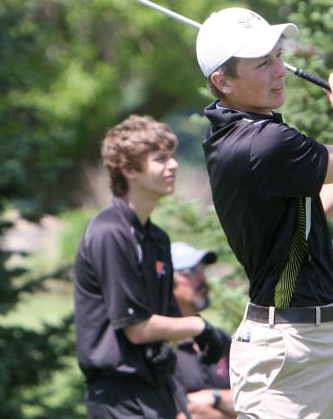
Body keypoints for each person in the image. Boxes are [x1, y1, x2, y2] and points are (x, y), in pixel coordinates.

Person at [195, 7, 333, 418]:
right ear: (223, 81)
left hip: (324, 338)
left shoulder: (253, 133)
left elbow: (312, 215)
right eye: (262, 64)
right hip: (289, 350)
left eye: (277, 56)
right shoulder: (262, 143)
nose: (279, 71)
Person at [74, 114, 224, 419]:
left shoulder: (156, 238)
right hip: (120, 396)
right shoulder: (109, 232)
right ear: (128, 169)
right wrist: (199, 326)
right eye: (160, 159)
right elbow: (136, 328)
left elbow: (164, 319)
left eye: (171, 156)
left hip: (158, 388)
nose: (173, 165)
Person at [170, 241, 236, 419]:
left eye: (202, 270)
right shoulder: (162, 346)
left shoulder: (220, 339)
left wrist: (213, 397)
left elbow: (252, 401)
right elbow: (184, 414)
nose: (202, 278)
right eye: (190, 271)